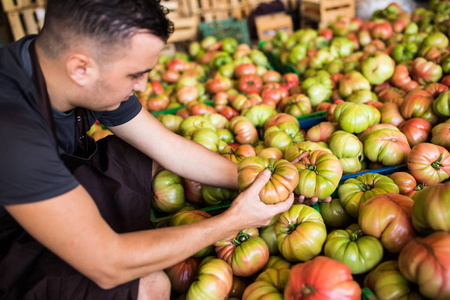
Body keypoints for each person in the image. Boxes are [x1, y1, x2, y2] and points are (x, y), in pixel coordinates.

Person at [0, 0, 297, 299]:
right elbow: (108, 264)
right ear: (80, 68)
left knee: (147, 157)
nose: (143, 86)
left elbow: (169, 148)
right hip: (10, 247)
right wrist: (233, 222)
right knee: (150, 286)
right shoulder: (12, 130)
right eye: (135, 75)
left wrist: (262, 183)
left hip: (51, 190)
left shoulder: (66, 71)